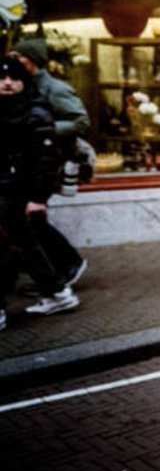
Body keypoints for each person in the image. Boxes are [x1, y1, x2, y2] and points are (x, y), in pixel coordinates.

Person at [0, 57, 79, 323]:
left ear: (25, 82)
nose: (8, 83)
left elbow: (46, 159)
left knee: (15, 244)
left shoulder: (35, 112)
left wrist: (38, 198)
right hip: (7, 188)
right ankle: (58, 292)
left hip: (19, 191)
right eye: (2, 79)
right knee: (25, 243)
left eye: (14, 79)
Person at [10, 37, 89, 286]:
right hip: (27, 161)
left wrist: (44, 129)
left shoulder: (55, 88)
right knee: (29, 219)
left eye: (17, 57)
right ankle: (51, 272)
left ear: (31, 61)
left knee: (32, 218)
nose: (12, 62)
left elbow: (80, 121)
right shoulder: (25, 85)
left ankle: (68, 264)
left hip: (48, 161)